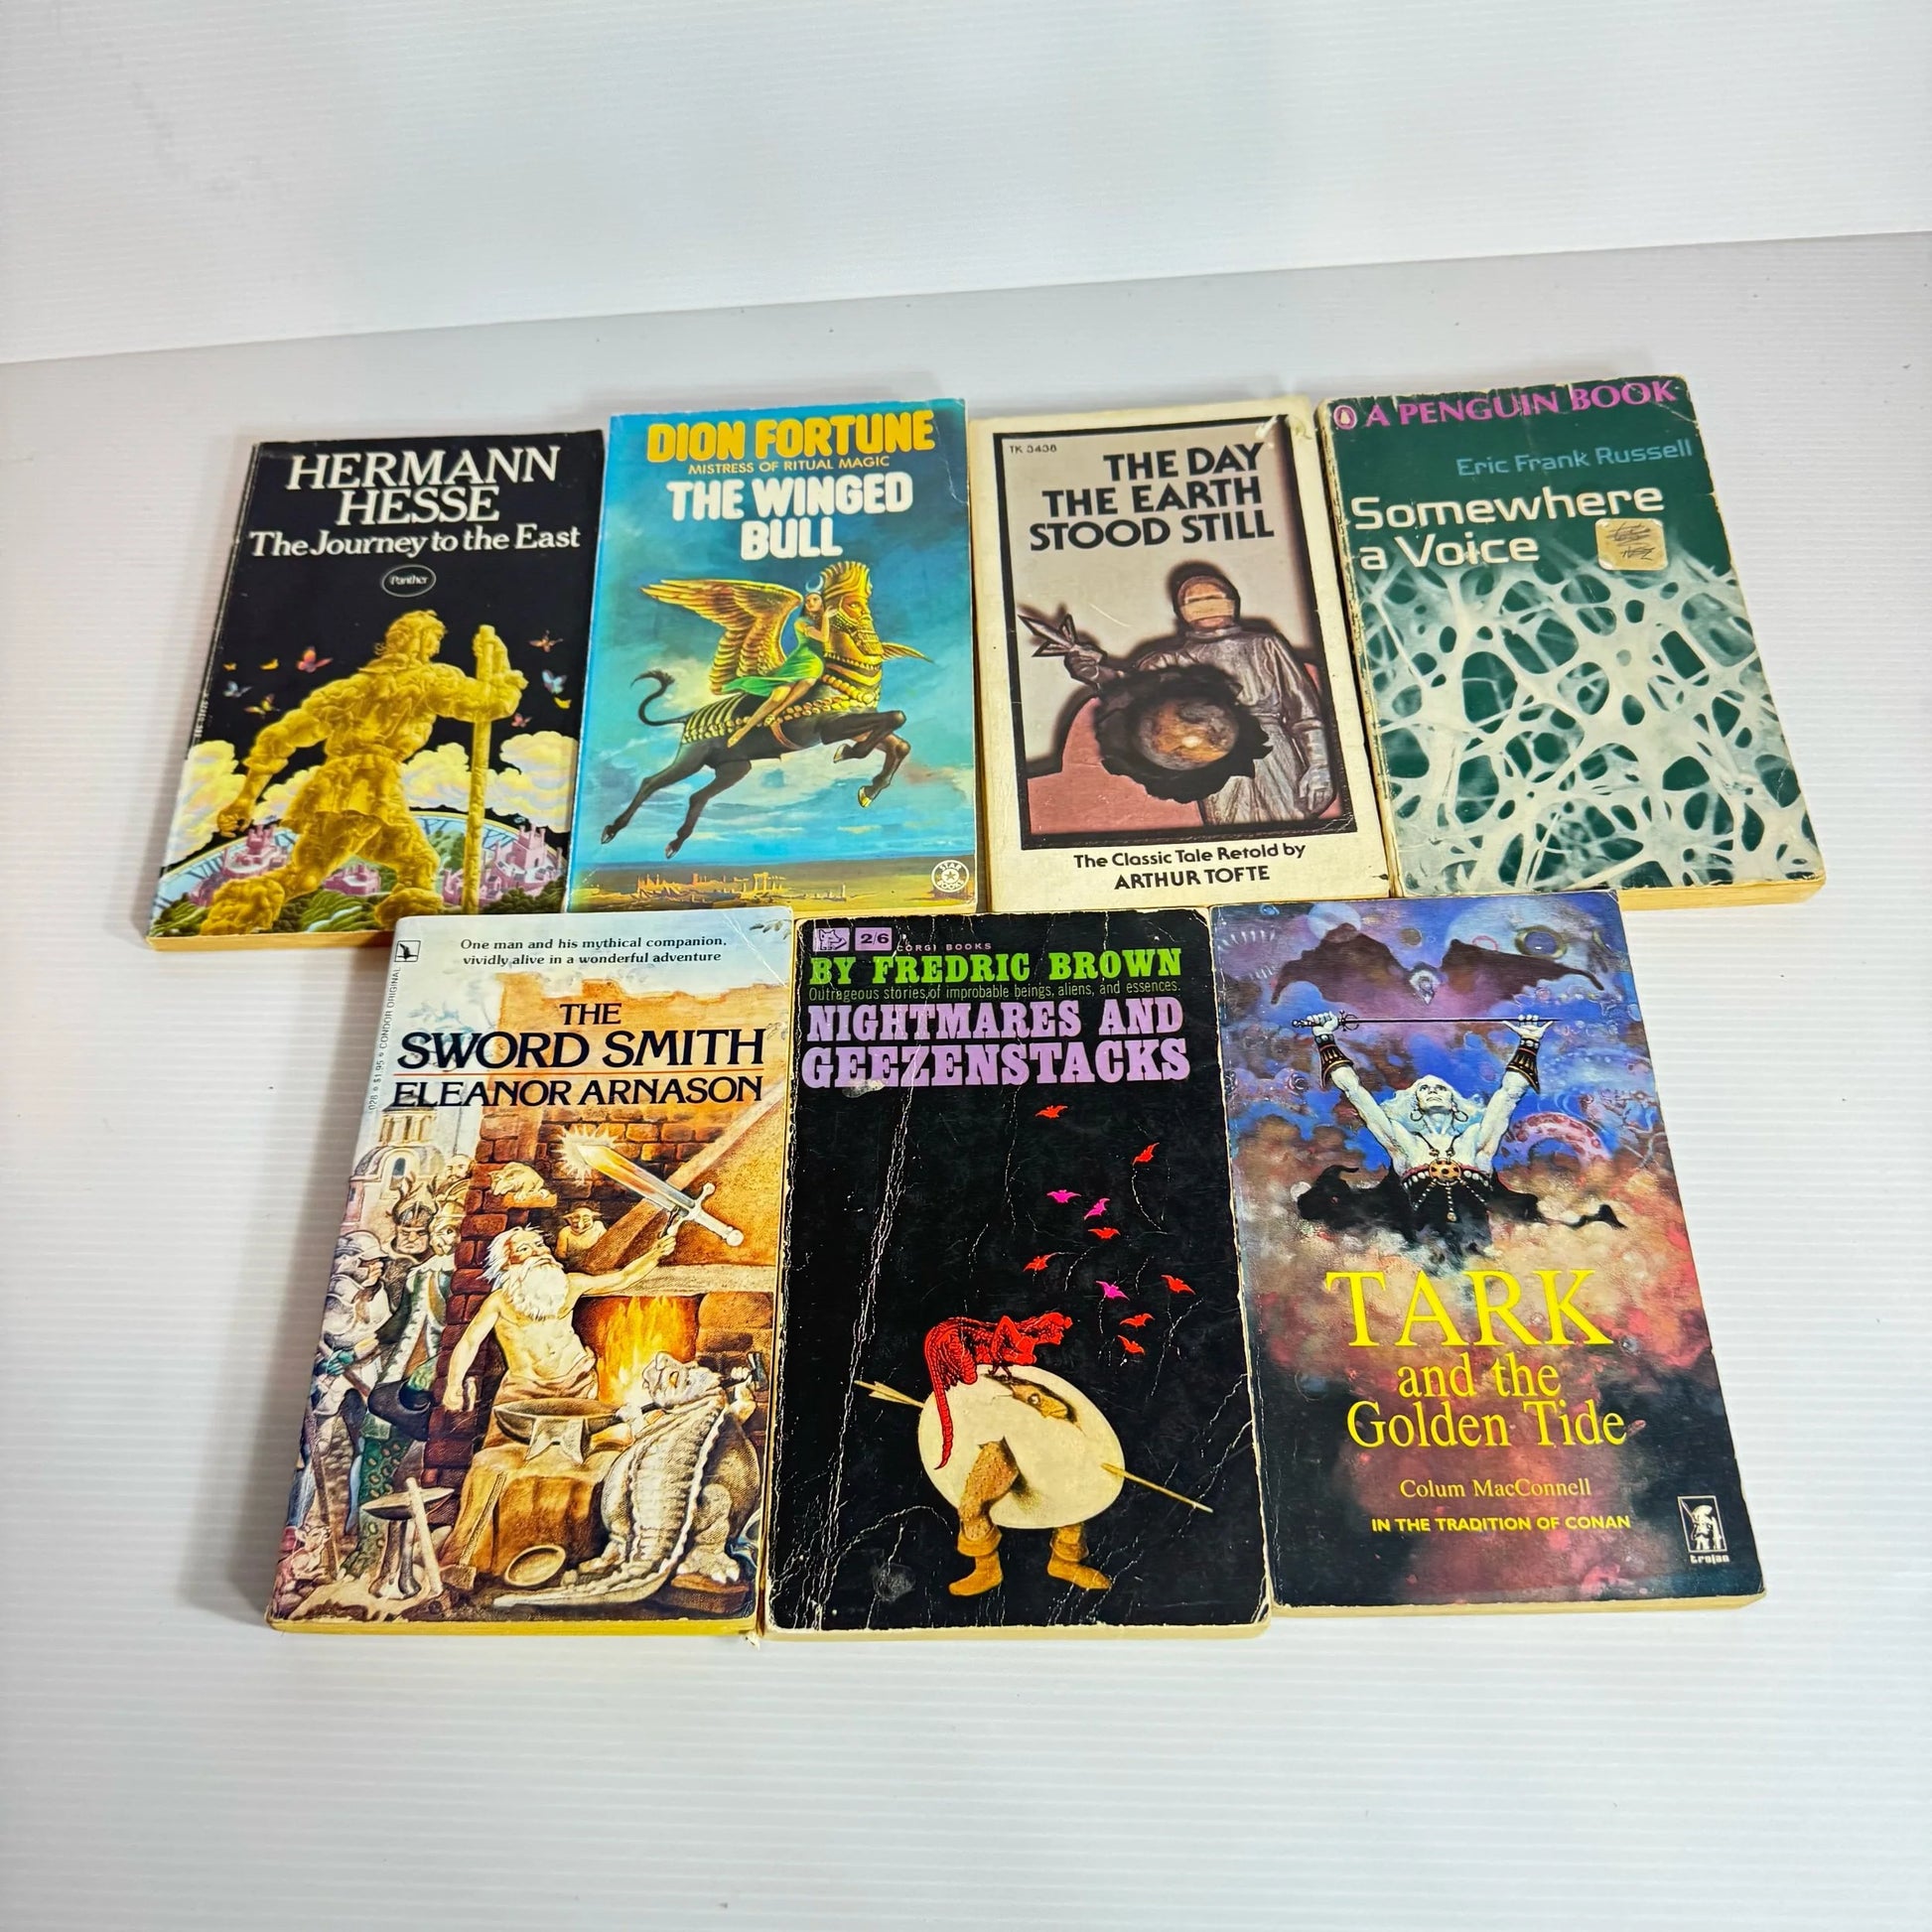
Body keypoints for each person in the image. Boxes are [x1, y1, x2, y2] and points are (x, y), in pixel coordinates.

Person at [202, 609, 523, 933]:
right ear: (423, 641)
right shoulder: (430, 679)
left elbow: (279, 738)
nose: (435, 648)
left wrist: (246, 797)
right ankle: (233, 918)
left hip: (338, 783)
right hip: (369, 786)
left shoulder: (349, 689)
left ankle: (407, 934)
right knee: (308, 876)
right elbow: (493, 703)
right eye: (434, 640)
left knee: (418, 863)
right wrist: (500, 663)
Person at [1059, 569, 1334, 826]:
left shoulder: (1265, 646)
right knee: (1230, 831)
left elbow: (1305, 713)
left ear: (1232, 601)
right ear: (1181, 610)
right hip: (1210, 756)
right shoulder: (1169, 660)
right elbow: (1132, 690)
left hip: (1275, 753)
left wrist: (1320, 765)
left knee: (1293, 824)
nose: (1206, 606)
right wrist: (1097, 672)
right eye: (1194, 601)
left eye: (1213, 597)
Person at [1303, 1010, 1551, 1251]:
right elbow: (1355, 1092)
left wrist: (1529, 1042)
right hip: (1424, 1254)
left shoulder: (1475, 1138)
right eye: (1424, 1088)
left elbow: (1509, 1095)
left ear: (1453, 1103)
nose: (1433, 1091)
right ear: (1416, 1103)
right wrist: (1324, 1037)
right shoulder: (1404, 1143)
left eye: (1441, 1088)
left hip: (1479, 1253)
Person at [441, 1223, 677, 1423]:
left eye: (539, 1244)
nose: (538, 1252)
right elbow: (470, 1342)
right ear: (507, 1263)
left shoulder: (571, 1284)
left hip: (578, 1384)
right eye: (524, 1249)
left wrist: (655, 1254)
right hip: (523, 1391)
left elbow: (623, 1277)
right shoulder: (499, 1302)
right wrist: (453, 1385)